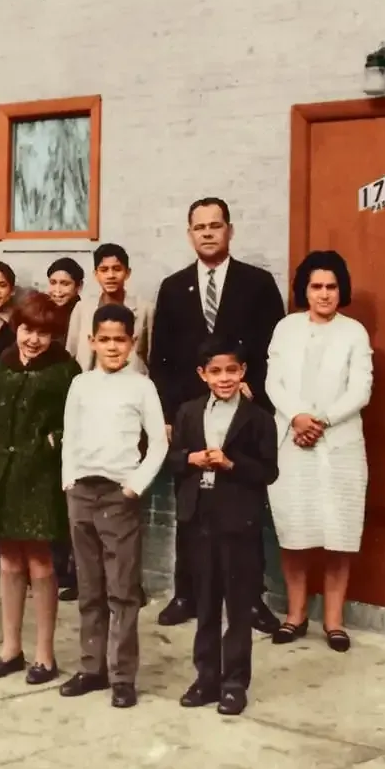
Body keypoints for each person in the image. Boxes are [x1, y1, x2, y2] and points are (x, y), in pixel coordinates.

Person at [150, 198, 286, 633]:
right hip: (192, 416)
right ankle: (186, 592)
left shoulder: (257, 283)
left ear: (229, 230)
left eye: (215, 226)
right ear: (190, 233)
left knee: (244, 508)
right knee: (189, 507)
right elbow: (163, 359)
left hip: (240, 414)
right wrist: (169, 415)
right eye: (199, 227)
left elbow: (273, 351)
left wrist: (256, 396)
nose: (207, 233)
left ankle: (250, 600)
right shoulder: (173, 287)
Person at [57, 305, 169, 709]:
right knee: (89, 587)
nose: (112, 347)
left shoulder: (142, 386)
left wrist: (135, 486)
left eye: (119, 340)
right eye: (104, 339)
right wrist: (69, 479)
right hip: (82, 493)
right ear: (91, 342)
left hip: (118, 496)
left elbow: (158, 441)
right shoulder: (81, 384)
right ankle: (91, 667)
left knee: (121, 590)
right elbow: (70, 434)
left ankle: (122, 675)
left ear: (132, 342)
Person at [0, 292, 81, 685]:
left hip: (40, 478)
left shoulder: (65, 369)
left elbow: (75, 422)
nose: (33, 339)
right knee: (9, 560)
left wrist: (50, 445)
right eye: (27, 329)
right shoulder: (2, 365)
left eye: (43, 332)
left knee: (40, 562)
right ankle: (10, 648)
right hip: (2, 476)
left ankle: (45, 655)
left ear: (55, 335)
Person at [266, 250, 373, 653]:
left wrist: (322, 420)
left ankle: (334, 620)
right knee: (295, 532)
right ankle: (295, 615)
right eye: (316, 287)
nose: (324, 294)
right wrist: (297, 417)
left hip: (338, 445)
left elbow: (360, 390)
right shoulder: (286, 329)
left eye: (331, 286)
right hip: (292, 441)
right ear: (304, 290)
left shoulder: (354, 333)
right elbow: (273, 382)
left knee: (337, 533)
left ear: (340, 289)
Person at [169, 337, 279, 716]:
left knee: (238, 604)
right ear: (202, 374)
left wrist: (232, 464)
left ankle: (234, 683)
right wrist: (192, 458)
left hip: (238, 519)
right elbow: (172, 459)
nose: (225, 378)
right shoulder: (188, 412)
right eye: (216, 371)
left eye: (232, 370)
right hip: (199, 516)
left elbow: (269, 471)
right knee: (205, 602)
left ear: (243, 372)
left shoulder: (258, 418)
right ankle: (206, 679)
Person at [66, 244, 154, 374]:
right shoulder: (83, 309)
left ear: (127, 273)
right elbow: (70, 354)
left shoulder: (144, 309)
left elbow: (151, 356)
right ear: (96, 274)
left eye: (117, 269)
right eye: (104, 270)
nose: (111, 275)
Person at [45, 257, 84, 348]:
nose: (57, 290)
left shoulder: (84, 314)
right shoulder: (42, 311)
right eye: (53, 283)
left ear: (79, 286)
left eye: (65, 284)